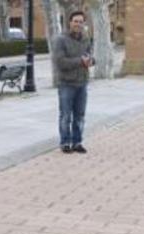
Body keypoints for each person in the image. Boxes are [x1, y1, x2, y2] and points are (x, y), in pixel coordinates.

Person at [53, 10, 94, 154]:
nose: (78, 24)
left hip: (82, 82)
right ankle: (65, 143)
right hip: (66, 84)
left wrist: (91, 61)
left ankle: (77, 142)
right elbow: (60, 62)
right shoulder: (61, 40)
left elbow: (90, 57)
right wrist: (80, 61)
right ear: (70, 22)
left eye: (81, 22)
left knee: (80, 115)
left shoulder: (86, 39)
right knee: (65, 115)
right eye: (75, 21)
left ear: (84, 24)